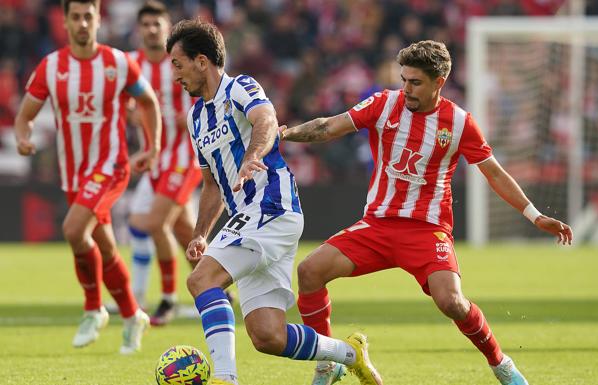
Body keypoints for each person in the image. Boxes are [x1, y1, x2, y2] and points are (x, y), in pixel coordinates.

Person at [280, 40, 573, 385]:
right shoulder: (383, 104)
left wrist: (535, 215)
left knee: (451, 302)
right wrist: (285, 133)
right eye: (404, 80)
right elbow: (329, 126)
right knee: (310, 271)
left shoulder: (460, 123)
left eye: (415, 82)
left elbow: (494, 172)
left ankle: (502, 365)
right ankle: (329, 363)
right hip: (378, 225)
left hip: (427, 230)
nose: (406, 89)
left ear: (439, 81)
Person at [167, 19, 383, 385]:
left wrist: (254, 155)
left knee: (202, 280)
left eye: (178, 63)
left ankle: (225, 378)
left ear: (201, 60)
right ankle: (349, 353)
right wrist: (201, 233)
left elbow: (266, 120)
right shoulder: (196, 117)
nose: (175, 74)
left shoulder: (240, 87)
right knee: (268, 336)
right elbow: (211, 183)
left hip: (271, 207)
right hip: (249, 221)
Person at [14, 0, 161, 354]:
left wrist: (151, 146)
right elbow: (25, 115)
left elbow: (148, 102)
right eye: (75, 17)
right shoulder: (51, 67)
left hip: (110, 166)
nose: (82, 23)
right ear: (65, 21)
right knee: (105, 247)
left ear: (98, 19)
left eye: (88, 16)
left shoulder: (117, 62)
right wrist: (22, 136)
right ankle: (132, 314)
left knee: (73, 230)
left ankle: (94, 307)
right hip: (74, 174)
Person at [123, 0, 203, 326]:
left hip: (186, 159)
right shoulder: (131, 64)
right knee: (185, 233)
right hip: (155, 161)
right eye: (146, 24)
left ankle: (168, 299)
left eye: (158, 24)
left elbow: (207, 95)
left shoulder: (182, 63)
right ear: (139, 29)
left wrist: (194, 116)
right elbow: (122, 103)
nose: (152, 30)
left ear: (168, 28)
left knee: (155, 223)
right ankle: (216, 288)